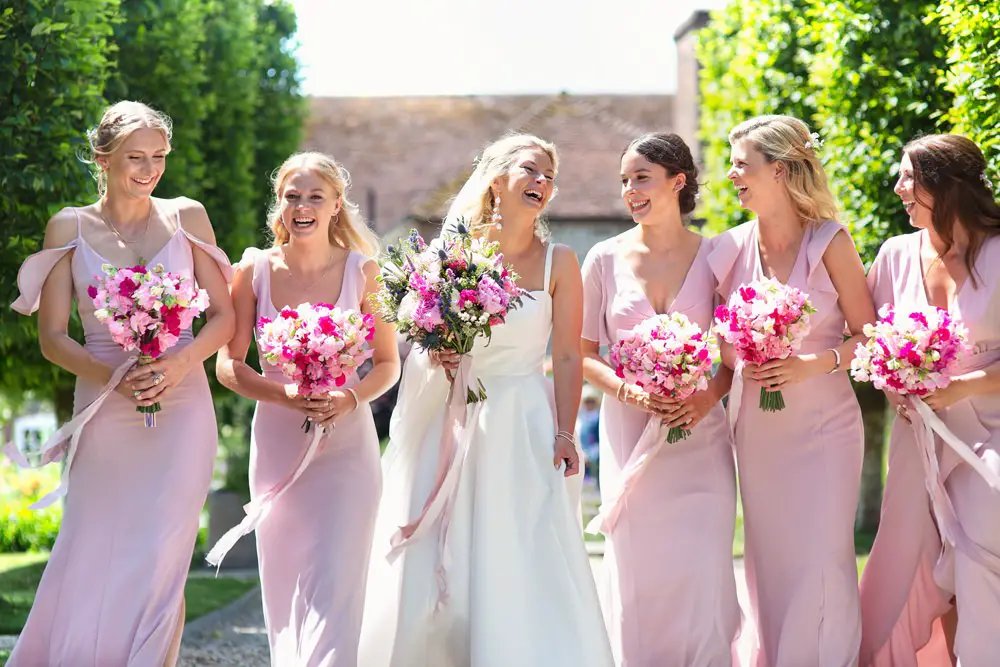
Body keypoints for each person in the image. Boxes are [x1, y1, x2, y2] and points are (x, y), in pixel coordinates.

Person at [358, 133, 614, 667]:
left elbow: (566, 357)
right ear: (496, 181)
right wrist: (440, 357)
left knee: (519, 540)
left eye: (549, 176)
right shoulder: (453, 255)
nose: (542, 183)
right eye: (531, 171)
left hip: (522, 418)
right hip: (452, 417)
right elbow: (422, 333)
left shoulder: (560, 262)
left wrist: (566, 433)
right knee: (444, 542)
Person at [6, 100, 235, 667]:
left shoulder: (189, 216)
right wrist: (116, 377)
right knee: (92, 547)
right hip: (104, 406)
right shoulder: (69, 226)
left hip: (183, 407)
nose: (151, 169)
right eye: (136, 157)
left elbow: (225, 318)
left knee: (163, 552)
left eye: (159, 157)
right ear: (101, 156)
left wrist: (181, 365)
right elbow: (54, 337)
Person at [214, 152, 400, 665]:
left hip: (347, 447)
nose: (303, 206)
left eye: (315, 196)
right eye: (292, 196)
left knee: (338, 576)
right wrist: (283, 394)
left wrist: (347, 396)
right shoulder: (253, 269)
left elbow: (387, 364)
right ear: (280, 204)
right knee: (285, 578)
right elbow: (228, 365)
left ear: (336, 205)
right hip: (276, 442)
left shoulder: (366, 273)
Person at [711, 115, 876, 666]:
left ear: (778, 171)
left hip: (826, 427)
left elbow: (870, 334)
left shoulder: (830, 241)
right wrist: (736, 349)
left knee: (823, 556)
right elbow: (718, 341)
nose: (731, 174)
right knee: (772, 557)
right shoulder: (726, 250)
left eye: (741, 165)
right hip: (757, 430)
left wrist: (814, 364)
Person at [581, 132, 740, 666]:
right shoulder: (602, 259)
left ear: (678, 181)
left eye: (641, 177)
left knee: (703, 572)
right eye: (624, 181)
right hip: (629, 435)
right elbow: (579, 354)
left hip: (701, 437)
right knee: (638, 576)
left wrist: (705, 399)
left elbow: (735, 355)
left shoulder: (721, 255)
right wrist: (627, 388)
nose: (630, 190)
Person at [859, 134, 1000, 667]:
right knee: (914, 565)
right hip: (918, 438)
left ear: (945, 185)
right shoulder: (895, 256)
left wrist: (965, 385)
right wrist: (892, 379)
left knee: (982, 553)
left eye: (909, 177)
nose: (898, 188)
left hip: (990, 429)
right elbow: (865, 336)